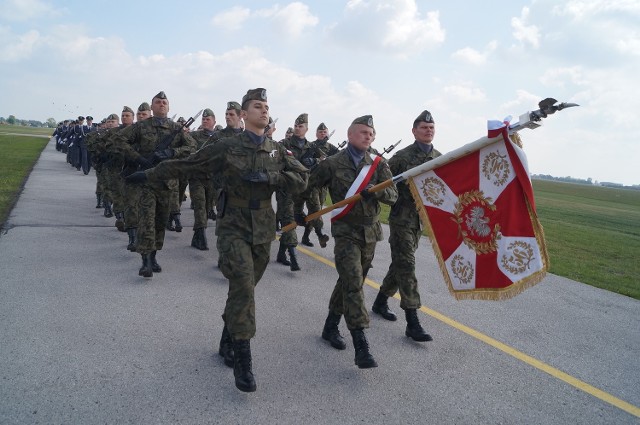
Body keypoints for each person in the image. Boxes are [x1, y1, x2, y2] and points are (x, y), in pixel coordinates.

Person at [125, 88, 308, 392]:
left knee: (243, 290)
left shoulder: (277, 150)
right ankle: (243, 360)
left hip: (263, 229)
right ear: (245, 114)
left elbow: (303, 179)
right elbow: (189, 164)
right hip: (233, 225)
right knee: (244, 288)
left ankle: (227, 339)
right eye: (257, 107)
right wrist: (150, 175)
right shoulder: (226, 146)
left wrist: (273, 179)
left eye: (267, 107)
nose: (264, 111)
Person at [305, 115, 397, 368]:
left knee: (348, 281)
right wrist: (313, 212)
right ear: (350, 135)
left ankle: (330, 326)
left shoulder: (378, 164)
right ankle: (361, 343)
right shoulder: (333, 163)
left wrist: (377, 189)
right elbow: (309, 186)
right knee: (354, 283)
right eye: (363, 132)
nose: (368, 137)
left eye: (371, 133)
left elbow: (393, 196)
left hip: (370, 233)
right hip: (345, 232)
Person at [371, 110, 441, 342]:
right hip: (401, 218)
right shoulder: (401, 157)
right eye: (423, 127)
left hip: (419, 221)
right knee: (407, 266)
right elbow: (382, 183)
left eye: (431, 127)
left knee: (400, 264)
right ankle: (412, 321)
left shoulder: (440, 158)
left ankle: (380, 302)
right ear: (414, 131)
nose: (428, 130)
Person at [115, 91, 196, 278]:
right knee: (146, 221)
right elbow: (118, 140)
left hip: (166, 183)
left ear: (168, 107)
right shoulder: (141, 127)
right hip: (146, 182)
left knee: (160, 222)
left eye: (164, 102)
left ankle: (153, 256)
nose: (161, 104)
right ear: (152, 107)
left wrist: (171, 153)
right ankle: (145, 261)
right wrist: (139, 159)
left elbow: (192, 147)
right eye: (158, 102)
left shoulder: (176, 128)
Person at [188, 108, 218, 250]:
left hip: (211, 178)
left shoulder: (219, 138)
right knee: (199, 205)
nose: (205, 121)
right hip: (196, 177)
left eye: (208, 119)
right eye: (203, 119)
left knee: (207, 207)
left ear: (214, 121)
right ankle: (201, 235)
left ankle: (197, 234)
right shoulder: (194, 136)